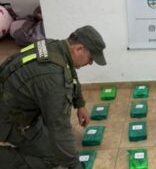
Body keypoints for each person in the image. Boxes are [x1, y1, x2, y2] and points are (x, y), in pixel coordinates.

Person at [0, 25, 107, 168]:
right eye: (91, 58)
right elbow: (59, 127)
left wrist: (79, 103)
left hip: (12, 102)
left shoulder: (54, 46)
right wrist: (75, 165)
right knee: (55, 156)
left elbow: (69, 71)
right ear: (79, 49)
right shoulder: (53, 79)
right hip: (9, 119)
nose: (90, 63)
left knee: (51, 140)